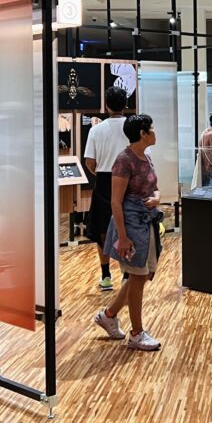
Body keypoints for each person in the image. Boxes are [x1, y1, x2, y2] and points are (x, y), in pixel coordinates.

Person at [93, 115, 163, 351]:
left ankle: (109, 315)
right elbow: (116, 202)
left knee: (140, 276)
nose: (155, 132)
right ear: (143, 133)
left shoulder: (146, 156)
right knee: (137, 276)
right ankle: (136, 333)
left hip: (146, 221)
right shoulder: (124, 160)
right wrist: (122, 237)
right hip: (132, 225)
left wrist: (157, 199)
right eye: (151, 128)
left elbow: (155, 187)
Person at [83, 87, 129, 291]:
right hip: (127, 181)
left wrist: (101, 173)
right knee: (127, 226)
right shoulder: (133, 127)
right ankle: (127, 274)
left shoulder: (96, 130)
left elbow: (90, 163)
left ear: (106, 105)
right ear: (125, 104)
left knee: (102, 230)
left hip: (103, 181)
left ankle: (106, 275)